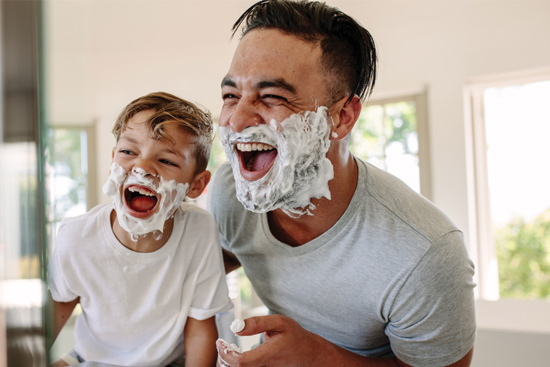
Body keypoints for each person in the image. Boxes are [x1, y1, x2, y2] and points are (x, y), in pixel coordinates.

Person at [207, 1, 476, 366]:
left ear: (342, 117)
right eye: (230, 96)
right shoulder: (230, 194)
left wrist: (317, 358)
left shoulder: (424, 253)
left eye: (272, 96)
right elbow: (208, 262)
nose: (237, 121)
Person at [48, 92, 233, 367]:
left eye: (167, 161)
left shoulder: (198, 230)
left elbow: (200, 329)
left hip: (169, 362)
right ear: (113, 161)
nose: (143, 168)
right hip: (94, 361)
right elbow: (47, 324)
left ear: (196, 185)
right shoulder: (76, 238)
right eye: (128, 152)